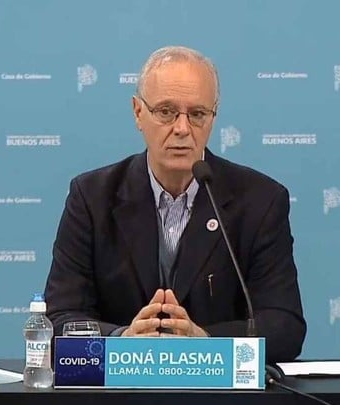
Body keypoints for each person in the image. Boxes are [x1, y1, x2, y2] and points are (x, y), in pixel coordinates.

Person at [45, 46, 306, 362]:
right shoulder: (92, 197)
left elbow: (284, 327)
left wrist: (205, 341)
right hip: (121, 389)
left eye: (197, 114)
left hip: (215, 390)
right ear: (138, 112)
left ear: (213, 118)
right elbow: (58, 320)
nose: (182, 129)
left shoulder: (260, 201)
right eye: (166, 111)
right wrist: (121, 340)